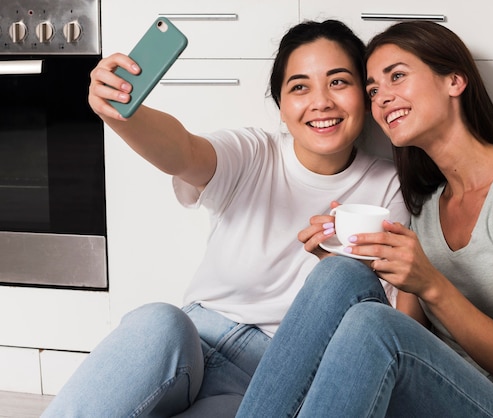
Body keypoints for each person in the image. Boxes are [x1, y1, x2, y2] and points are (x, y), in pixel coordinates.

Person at [42, 20, 410, 417]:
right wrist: (123, 115)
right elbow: (183, 152)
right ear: (282, 106)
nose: (320, 101)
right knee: (157, 321)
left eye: (338, 82)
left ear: (364, 94)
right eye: (300, 87)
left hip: (271, 379)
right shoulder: (254, 152)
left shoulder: (389, 189)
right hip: (188, 344)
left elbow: (389, 323)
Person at [236, 21, 493, 418]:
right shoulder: (429, 205)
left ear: (454, 80)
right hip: (431, 397)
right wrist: (370, 269)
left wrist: (430, 283)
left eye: (396, 76)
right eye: (372, 90)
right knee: (340, 276)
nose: (382, 98)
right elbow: (407, 335)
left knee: (372, 325)